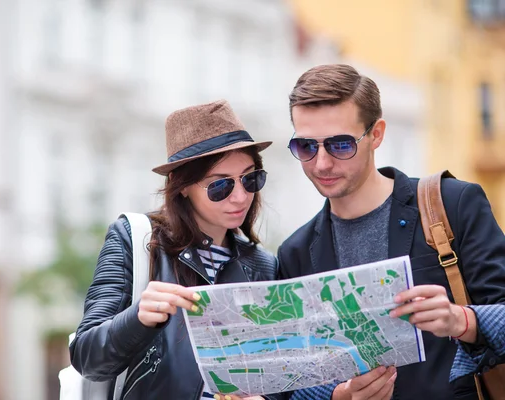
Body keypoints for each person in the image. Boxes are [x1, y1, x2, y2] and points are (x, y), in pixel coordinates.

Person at [277, 64, 505, 400]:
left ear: (377, 134)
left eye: (340, 145)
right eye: (306, 147)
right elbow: (295, 377)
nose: (322, 164)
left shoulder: (453, 204)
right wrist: (339, 395)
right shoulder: (294, 252)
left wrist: (462, 320)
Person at [70, 99, 281, 400]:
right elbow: (87, 358)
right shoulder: (136, 239)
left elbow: (280, 368)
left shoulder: (263, 266)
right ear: (182, 186)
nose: (240, 197)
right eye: (220, 186)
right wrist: (137, 318)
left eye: (250, 179)